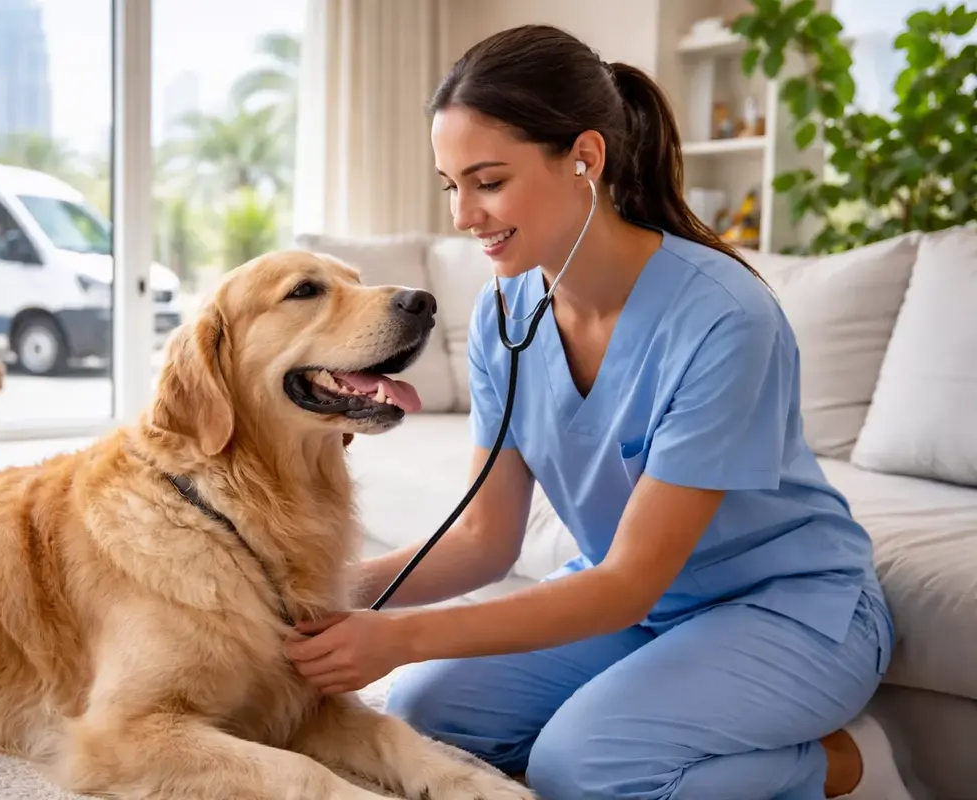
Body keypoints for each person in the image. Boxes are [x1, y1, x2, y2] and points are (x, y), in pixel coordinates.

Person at [283, 23, 917, 800]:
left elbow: (627, 586)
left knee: (583, 767)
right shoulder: (502, 312)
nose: (462, 215)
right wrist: (306, 594)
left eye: (487, 182)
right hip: (641, 606)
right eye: (452, 186)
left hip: (786, 609)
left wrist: (400, 636)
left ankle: (843, 766)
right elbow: (485, 541)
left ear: (585, 158)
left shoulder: (724, 318)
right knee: (423, 713)